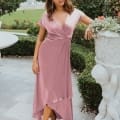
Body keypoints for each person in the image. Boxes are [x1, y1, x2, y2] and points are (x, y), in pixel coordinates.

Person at [32, 0, 93, 120]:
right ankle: (48, 116)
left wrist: (89, 27)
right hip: (46, 57)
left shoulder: (76, 13)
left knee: (57, 91)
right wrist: (35, 61)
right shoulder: (46, 15)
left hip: (61, 60)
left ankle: (53, 115)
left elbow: (94, 23)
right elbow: (40, 39)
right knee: (49, 92)